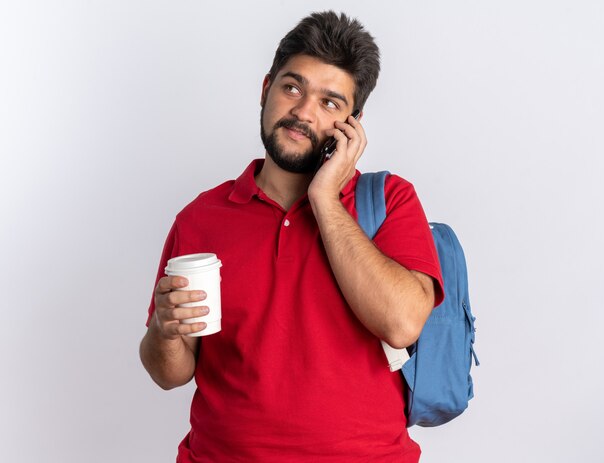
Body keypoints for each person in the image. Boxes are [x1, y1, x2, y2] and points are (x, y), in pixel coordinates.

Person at [140, 10, 444, 462]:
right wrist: (165, 331)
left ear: (353, 124)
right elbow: (171, 374)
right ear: (266, 90)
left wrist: (325, 198)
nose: (302, 112)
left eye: (329, 103)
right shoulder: (201, 218)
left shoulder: (391, 200)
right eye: (292, 87)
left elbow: (401, 325)